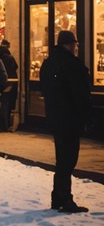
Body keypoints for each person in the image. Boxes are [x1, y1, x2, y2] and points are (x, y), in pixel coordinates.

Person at [39, 30, 92, 213]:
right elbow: (80, 94)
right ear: (70, 45)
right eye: (75, 44)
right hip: (69, 117)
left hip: (56, 117)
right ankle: (65, 198)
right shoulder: (70, 64)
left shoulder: (49, 63)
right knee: (68, 159)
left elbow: (44, 88)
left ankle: (58, 196)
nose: (76, 47)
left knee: (62, 158)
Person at [0, 40, 19, 131]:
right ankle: (6, 125)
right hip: (10, 85)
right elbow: (15, 67)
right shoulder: (10, 58)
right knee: (7, 105)